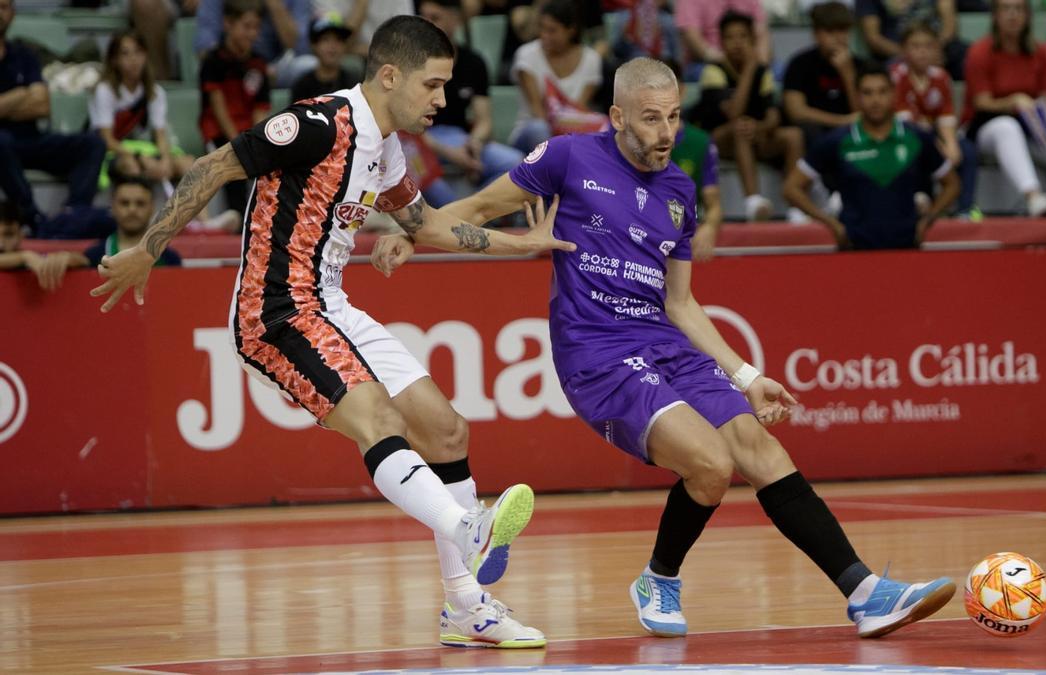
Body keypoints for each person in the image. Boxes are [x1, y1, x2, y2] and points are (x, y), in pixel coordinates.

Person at [374, 56, 956, 641]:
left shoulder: (679, 188)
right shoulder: (568, 157)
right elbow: (473, 209)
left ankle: (863, 593)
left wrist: (747, 374)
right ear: (617, 116)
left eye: (674, 117)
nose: (666, 132)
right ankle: (661, 579)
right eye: (651, 119)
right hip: (597, 355)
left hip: (664, 342)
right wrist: (410, 236)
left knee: (758, 446)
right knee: (710, 464)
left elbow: (681, 303)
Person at [91, 15, 573, 650]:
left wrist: (525, 245)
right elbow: (211, 167)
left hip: (332, 304)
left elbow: (424, 226)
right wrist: (146, 250)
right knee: (381, 422)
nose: (442, 100)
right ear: (391, 75)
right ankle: (467, 528)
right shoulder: (316, 126)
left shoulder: (388, 148)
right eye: (433, 86)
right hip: (276, 313)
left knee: (447, 429)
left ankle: (465, 608)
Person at [785, 63, 960, 249]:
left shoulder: (916, 138)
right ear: (857, 96)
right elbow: (791, 188)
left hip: (907, 247)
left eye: (882, 92)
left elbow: (952, 184)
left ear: (894, 94)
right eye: (867, 93)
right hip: (853, 249)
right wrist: (832, 224)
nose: (875, 100)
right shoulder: (838, 141)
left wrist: (927, 221)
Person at [962, 0, 1046, 217]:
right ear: (996, 16)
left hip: (1033, 127)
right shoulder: (980, 51)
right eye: (1007, 9)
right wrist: (1013, 101)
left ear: (1028, 15)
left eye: (1019, 9)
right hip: (986, 129)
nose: (1013, 15)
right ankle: (1033, 196)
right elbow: (981, 102)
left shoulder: (1040, 52)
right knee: (1007, 127)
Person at [0, 0, 106, 233]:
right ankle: (34, 218)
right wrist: (21, 94)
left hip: (30, 139)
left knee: (93, 143)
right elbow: (33, 97)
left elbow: (42, 105)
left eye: (4, 7)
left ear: (13, 13)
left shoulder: (23, 55)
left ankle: (73, 217)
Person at [690, 11, 801, 221]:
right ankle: (753, 200)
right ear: (721, 42)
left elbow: (773, 115)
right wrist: (750, 68)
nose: (737, 43)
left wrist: (759, 127)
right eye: (731, 38)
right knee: (739, 126)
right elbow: (733, 113)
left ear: (752, 39)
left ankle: (796, 204)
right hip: (718, 141)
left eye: (742, 37)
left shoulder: (763, 72)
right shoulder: (713, 71)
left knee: (793, 136)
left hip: (753, 135)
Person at [418, 0, 525, 196]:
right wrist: (453, 153)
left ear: (455, 19)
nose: (427, 24)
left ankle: (478, 203)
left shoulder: (473, 62)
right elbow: (407, 129)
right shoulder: (413, 62)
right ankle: (470, 207)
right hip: (423, 139)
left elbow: (484, 120)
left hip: (461, 138)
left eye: (435, 18)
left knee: (517, 164)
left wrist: (473, 143)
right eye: (423, 17)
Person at [892, 22, 979, 219]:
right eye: (915, 46)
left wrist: (951, 144)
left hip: (934, 133)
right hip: (906, 136)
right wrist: (938, 145)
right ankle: (921, 201)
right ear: (904, 50)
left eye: (928, 46)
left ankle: (965, 209)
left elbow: (946, 116)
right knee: (918, 148)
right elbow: (907, 122)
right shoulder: (898, 77)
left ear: (936, 49)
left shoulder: (941, 77)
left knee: (966, 150)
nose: (922, 52)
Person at [90, 30, 195, 187]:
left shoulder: (155, 92)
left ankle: (205, 213)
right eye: (125, 54)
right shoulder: (104, 91)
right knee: (131, 166)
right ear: (114, 60)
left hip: (145, 151)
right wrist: (140, 157)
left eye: (138, 52)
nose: (133, 59)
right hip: (114, 154)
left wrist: (165, 160)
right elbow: (106, 140)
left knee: (189, 164)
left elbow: (160, 135)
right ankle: (142, 210)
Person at [199, 0, 272, 219]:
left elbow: (261, 109)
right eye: (246, 26)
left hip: (249, 132)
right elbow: (218, 108)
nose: (252, 33)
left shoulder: (259, 64)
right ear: (228, 24)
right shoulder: (212, 61)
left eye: (256, 27)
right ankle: (238, 219)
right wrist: (240, 144)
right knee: (233, 161)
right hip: (219, 132)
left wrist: (258, 141)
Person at [509, 0, 603, 153]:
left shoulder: (591, 59)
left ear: (571, 30)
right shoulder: (526, 55)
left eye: (552, 31)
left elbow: (578, 110)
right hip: (530, 130)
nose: (544, 35)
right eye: (542, 28)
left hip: (571, 129)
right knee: (540, 129)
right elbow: (538, 112)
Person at [782, 2, 863, 145]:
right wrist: (841, 121)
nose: (838, 38)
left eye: (843, 30)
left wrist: (848, 74)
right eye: (830, 31)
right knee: (810, 130)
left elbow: (863, 114)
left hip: (850, 134)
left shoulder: (861, 65)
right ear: (816, 34)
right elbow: (796, 111)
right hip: (814, 133)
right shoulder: (800, 63)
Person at [667, 60, 721, 261]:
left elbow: (713, 203)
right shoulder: (626, 141)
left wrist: (709, 226)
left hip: (680, 239)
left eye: (668, 86)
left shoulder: (700, 142)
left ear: (681, 89)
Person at [195, 0, 314, 88]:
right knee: (209, 68)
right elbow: (205, 46)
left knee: (309, 66)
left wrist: (274, 5)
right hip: (230, 65)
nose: (252, 33)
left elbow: (298, 46)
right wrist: (241, 66)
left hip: (275, 67)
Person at [84, 175, 182, 268]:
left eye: (140, 203)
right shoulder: (93, 257)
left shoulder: (170, 259)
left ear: (152, 207)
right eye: (124, 203)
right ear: (112, 207)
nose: (132, 209)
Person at [856, 0, 967, 80]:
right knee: (881, 75)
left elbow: (950, 24)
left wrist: (933, 51)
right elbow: (874, 38)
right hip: (896, 53)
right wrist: (911, 55)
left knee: (971, 58)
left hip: (940, 48)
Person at [0, 200, 89, 291]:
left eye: (8, 235)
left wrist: (70, 258)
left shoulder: (33, 260)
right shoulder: (28, 256)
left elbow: (85, 261)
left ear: (21, 235)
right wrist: (24, 256)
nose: (1, 244)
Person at [674, 0, 769, 78]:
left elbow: (762, 35)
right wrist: (728, 64)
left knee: (775, 74)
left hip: (748, 60)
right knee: (712, 76)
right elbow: (692, 38)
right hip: (705, 62)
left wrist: (760, 65)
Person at [290, 14, 359, 102]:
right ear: (314, 45)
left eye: (338, 39)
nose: (332, 46)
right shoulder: (302, 87)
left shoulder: (354, 85)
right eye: (325, 39)